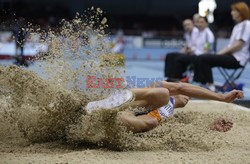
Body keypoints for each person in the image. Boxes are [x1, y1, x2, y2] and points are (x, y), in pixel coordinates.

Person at [85, 81, 243, 133]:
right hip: (129, 102)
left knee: (151, 122)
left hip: (126, 117)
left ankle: (105, 117)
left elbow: (174, 132)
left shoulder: (167, 112)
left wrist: (208, 128)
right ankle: (107, 105)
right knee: (161, 91)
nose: (186, 99)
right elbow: (181, 87)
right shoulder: (159, 93)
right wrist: (221, 97)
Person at [193, 2, 250, 91]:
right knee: (200, 58)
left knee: (203, 58)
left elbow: (238, 45)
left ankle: (211, 88)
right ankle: (202, 83)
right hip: (230, 56)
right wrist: (219, 54)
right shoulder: (237, 26)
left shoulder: (246, 24)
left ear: (240, 12)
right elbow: (231, 45)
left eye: (234, 11)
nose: (231, 13)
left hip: (237, 59)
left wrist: (220, 53)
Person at [165, 16, 214, 81]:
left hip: (199, 56)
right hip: (194, 54)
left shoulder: (207, 34)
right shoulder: (200, 33)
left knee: (178, 58)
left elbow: (206, 50)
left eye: (202, 22)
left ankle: (176, 79)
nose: (199, 24)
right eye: (198, 22)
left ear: (206, 23)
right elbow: (195, 46)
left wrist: (193, 52)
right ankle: (169, 77)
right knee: (170, 55)